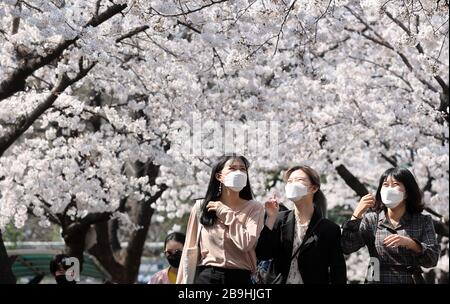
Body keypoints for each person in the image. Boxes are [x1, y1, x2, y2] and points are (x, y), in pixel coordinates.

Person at [176, 154, 265, 284]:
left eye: (242, 169)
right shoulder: (201, 207)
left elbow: (246, 243)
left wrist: (225, 213)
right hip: (207, 277)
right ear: (219, 176)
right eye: (232, 168)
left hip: (239, 279)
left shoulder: (254, 208)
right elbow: (188, 250)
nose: (238, 172)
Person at [341, 167, 439, 284]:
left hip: (409, 279)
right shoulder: (372, 220)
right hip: (376, 279)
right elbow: (347, 247)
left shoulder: (423, 221)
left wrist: (411, 243)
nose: (389, 189)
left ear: (407, 192)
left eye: (395, 184)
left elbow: (432, 260)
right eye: (385, 185)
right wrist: (356, 215)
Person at [256, 165, 347, 284]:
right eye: (289, 181)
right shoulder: (279, 219)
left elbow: (337, 270)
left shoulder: (329, 229)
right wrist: (270, 219)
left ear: (313, 188)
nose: (292, 184)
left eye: (299, 180)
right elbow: (263, 254)